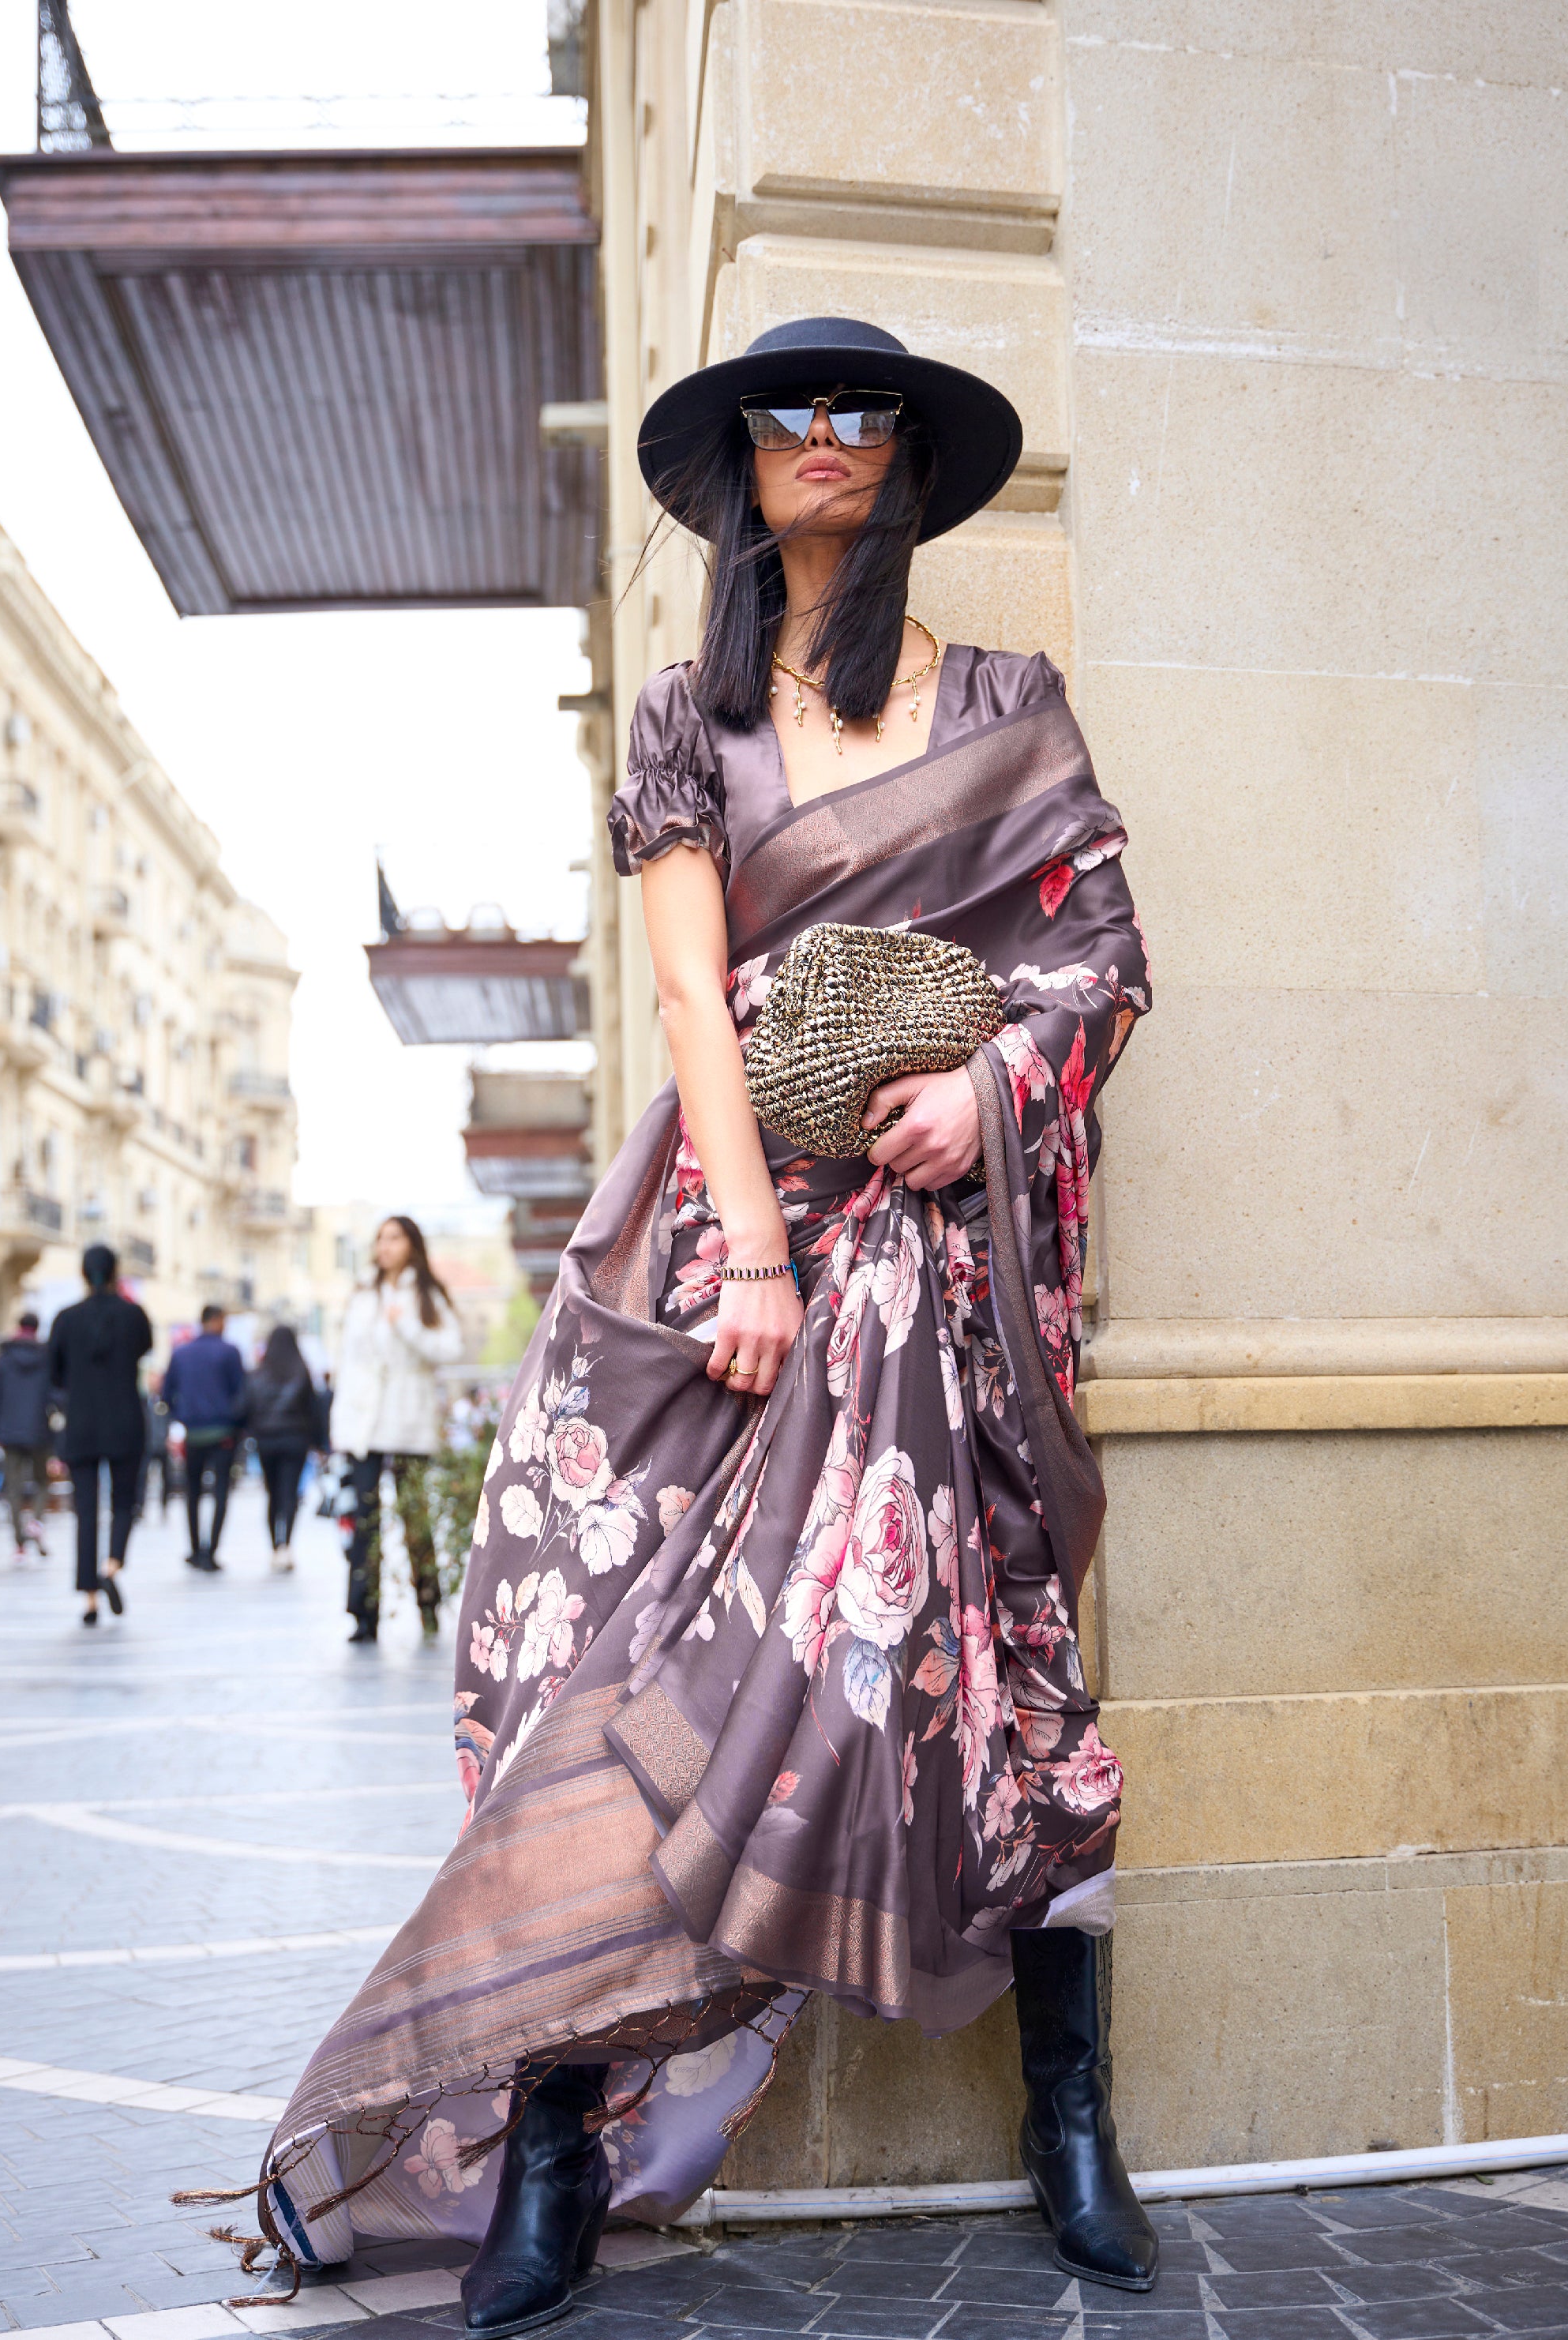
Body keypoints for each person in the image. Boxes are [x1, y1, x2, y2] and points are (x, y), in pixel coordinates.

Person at [212, 321, 1157, 2319]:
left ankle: (1070, 2115)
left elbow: (1102, 957)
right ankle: (552, 2141)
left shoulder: (1009, 700)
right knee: (597, 1664)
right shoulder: (682, 718)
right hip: (717, 1262)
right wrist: (750, 1247)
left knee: (1000, 1667)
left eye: (863, 413)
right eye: (790, 415)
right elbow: (683, 999)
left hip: (949, 1257)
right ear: (743, 462)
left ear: (906, 461)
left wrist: (985, 1094)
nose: (828, 440)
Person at [330, 1214, 461, 1643]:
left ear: (411, 1245)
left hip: (408, 1420)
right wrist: (341, 1424)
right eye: (380, 1238)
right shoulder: (363, 1293)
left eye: (394, 1238)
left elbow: (451, 1347)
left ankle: (428, 1607)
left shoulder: (425, 1294)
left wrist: (405, 1324)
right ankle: (363, 1615)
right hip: (364, 1426)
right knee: (362, 1520)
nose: (384, 1246)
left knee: (414, 1520)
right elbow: (349, 1364)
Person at [47, 1245, 152, 1627]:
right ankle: (112, 1565)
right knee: (125, 1502)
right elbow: (144, 1350)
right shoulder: (134, 1315)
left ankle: (90, 1598)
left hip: (82, 1423)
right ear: (115, 1272)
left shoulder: (65, 1319)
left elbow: (54, 1374)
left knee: (86, 1510)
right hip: (125, 1420)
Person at [161, 1305, 246, 1572]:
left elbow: (166, 1394)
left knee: (193, 1492)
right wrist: (235, 1423)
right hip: (223, 1431)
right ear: (218, 1321)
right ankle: (211, 1550)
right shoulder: (229, 1352)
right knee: (221, 1491)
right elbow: (242, 1393)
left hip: (193, 1432)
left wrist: (181, 1418)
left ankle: (196, 1548)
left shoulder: (181, 1353)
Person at [244, 1323, 326, 1572]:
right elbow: (315, 1411)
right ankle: (285, 1546)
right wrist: (320, 1443)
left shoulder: (258, 1374)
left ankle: (274, 1547)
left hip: (267, 1441)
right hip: (295, 1440)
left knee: (273, 1494)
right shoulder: (301, 1372)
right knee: (290, 1492)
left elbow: (248, 1408)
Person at [0, 1309, 53, 1561]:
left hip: (9, 1430)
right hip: (38, 1430)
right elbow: (54, 1393)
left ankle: (19, 1543)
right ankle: (36, 1520)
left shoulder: (5, 1357)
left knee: (13, 1487)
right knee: (42, 1481)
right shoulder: (46, 1356)